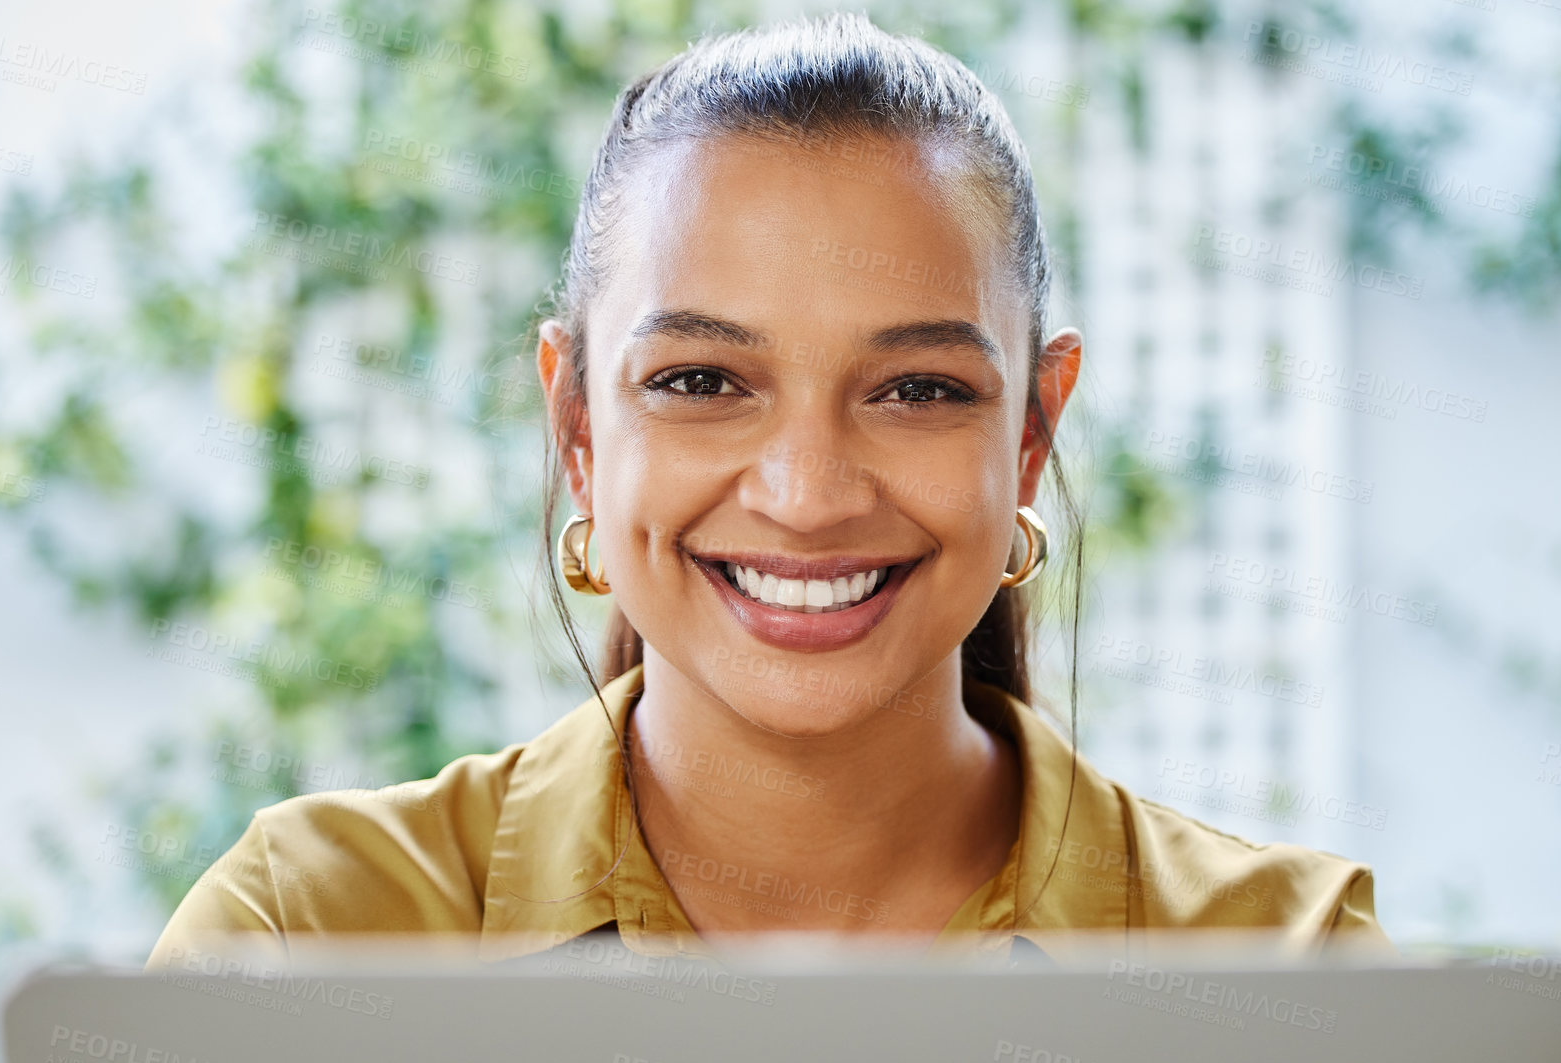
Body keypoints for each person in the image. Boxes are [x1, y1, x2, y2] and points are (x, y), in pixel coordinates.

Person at [147, 12, 1390, 970]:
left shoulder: (1288, 971)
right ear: (578, 424)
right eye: (700, 379)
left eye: (914, 390)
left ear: (1028, 434)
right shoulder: (307, 938)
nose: (805, 496)